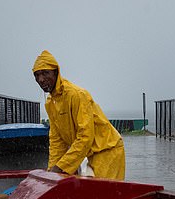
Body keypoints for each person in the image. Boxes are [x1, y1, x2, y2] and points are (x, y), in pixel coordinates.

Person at [32, 50, 125, 180]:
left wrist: (62, 167)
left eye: (45, 73)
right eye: (37, 75)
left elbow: (85, 136)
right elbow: (56, 140)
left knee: (103, 196)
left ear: (56, 72)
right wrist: (52, 171)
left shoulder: (76, 95)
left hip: (107, 151)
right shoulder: (50, 103)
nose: (41, 79)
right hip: (90, 153)